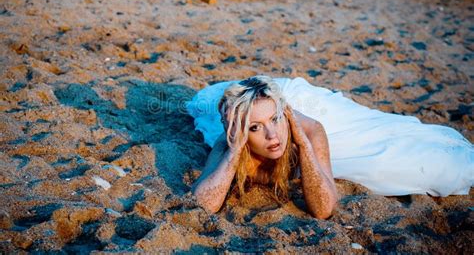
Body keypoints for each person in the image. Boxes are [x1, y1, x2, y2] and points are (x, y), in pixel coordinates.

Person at [187, 76, 473, 218]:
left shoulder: (309, 131)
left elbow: (324, 208)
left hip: (307, 116)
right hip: (265, 115)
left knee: (425, 164)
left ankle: (272, 112)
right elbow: (202, 204)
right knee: (205, 106)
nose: (272, 136)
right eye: (255, 128)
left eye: (275, 121)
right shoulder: (229, 145)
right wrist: (236, 150)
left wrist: (302, 140)